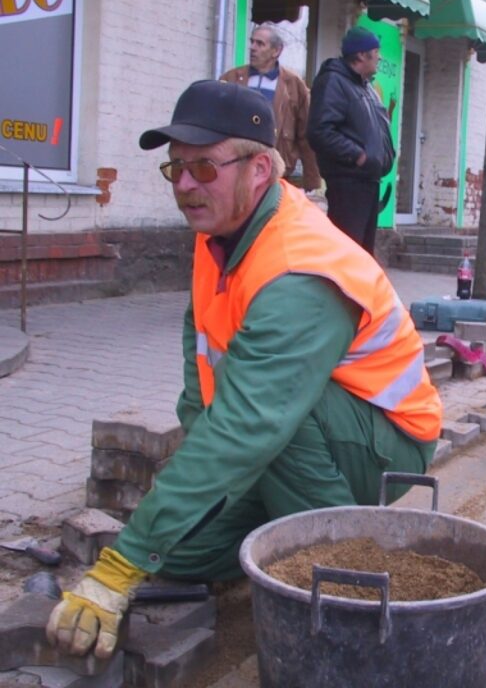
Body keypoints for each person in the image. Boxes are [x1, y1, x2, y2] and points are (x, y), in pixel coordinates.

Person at [46, 80, 441, 659]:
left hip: (384, 445)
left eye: (203, 168)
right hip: (293, 433)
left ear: (260, 169)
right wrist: (161, 530)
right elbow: (199, 383)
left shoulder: (299, 270)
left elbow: (245, 427)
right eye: (175, 169)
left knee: (266, 428)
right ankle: (273, 536)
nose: (184, 185)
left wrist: (119, 568)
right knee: (177, 551)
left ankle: (344, 564)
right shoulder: (219, 239)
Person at [307, 25, 395, 254]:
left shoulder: (365, 87)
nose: (379, 58)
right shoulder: (334, 81)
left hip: (368, 182)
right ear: (361, 55)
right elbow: (320, 131)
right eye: (375, 53)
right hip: (348, 184)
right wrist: (358, 156)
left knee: (362, 255)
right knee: (346, 253)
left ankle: (358, 291)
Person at [219, 23, 321, 191]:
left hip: (275, 169)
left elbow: (306, 134)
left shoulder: (293, 85)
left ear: (276, 51)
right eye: (252, 42)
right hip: (235, 165)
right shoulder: (231, 79)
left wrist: (312, 179)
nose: (252, 48)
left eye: (260, 44)